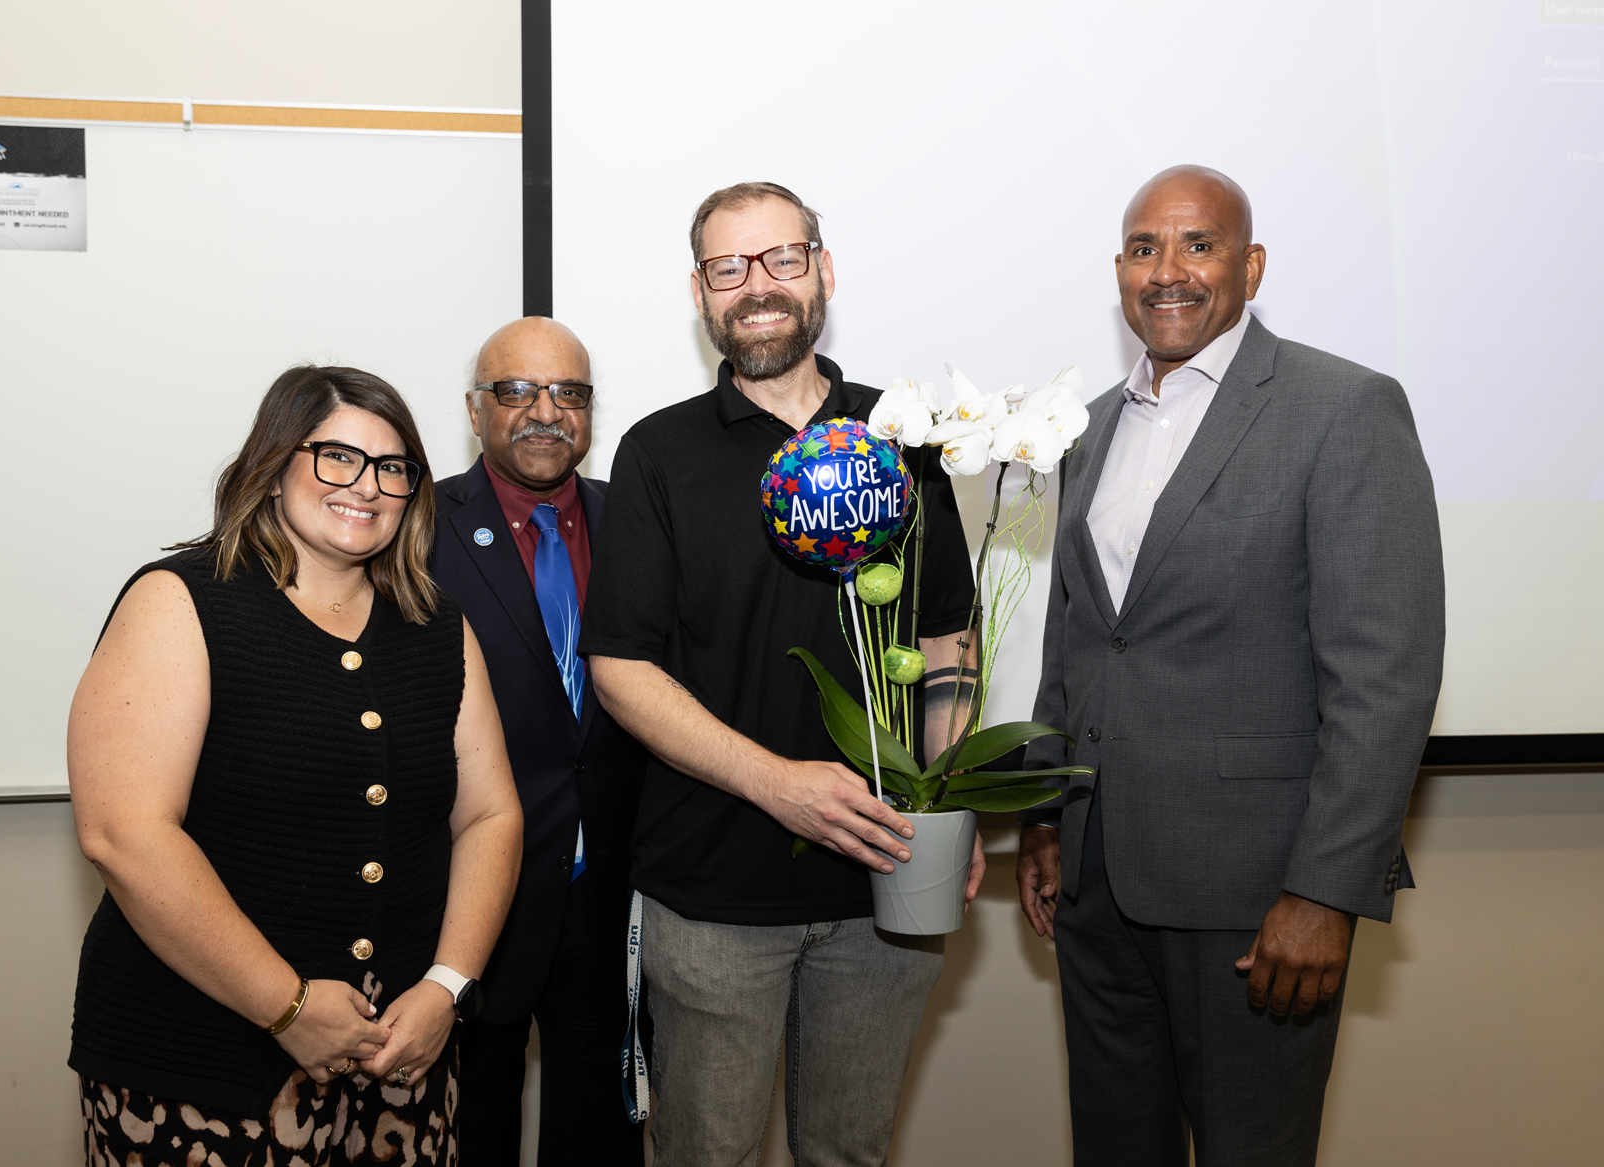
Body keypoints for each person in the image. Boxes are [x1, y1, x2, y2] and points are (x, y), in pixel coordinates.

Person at [1014, 165, 1444, 1166]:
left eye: (1195, 245)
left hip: (1258, 898)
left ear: (1248, 266)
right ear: (1116, 271)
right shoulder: (1090, 425)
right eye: (1140, 248)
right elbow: (1079, 639)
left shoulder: (1340, 409)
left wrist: (1326, 891)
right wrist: (1042, 820)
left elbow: (1382, 676)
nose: (1165, 271)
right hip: (1098, 886)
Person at [580, 181, 983, 1167]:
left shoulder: (899, 436)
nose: (756, 287)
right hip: (710, 899)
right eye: (729, 268)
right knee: (703, 1156)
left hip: (881, 889)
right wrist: (777, 784)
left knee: (848, 1154)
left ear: (822, 272)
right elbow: (619, 667)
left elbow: (944, 642)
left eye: (780, 260)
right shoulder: (657, 454)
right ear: (700, 292)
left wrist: (945, 802)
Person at [67, 366, 523, 1166]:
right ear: (275, 466)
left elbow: (491, 815)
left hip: (399, 1069)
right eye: (336, 457)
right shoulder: (182, 601)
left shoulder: (436, 624)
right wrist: (289, 1008)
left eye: (391, 467)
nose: (367, 485)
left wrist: (446, 988)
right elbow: (123, 834)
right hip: (201, 1071)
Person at [431, 317, 647, 1165]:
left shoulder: (632, 517)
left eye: (568, 392)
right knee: (469, 1123)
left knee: (600, 1125)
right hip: (474, 892)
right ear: (475, 411)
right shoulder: (417, 524)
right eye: (515, 391)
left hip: (612, 891)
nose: (543, 411)